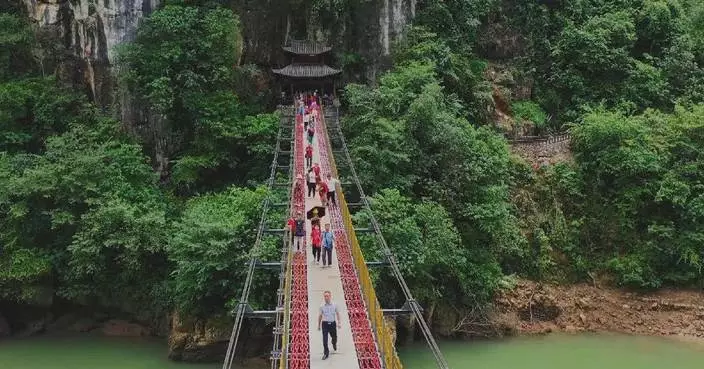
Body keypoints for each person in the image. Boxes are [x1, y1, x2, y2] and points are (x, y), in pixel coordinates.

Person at [317, 290, 341, 360]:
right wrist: (318, 325)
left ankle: (334, 343)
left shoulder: (335, 305)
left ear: (330, 296)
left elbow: (338, 314)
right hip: (325, 324)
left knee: (334, 337)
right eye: (325, 296)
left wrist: (339, 323)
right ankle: (326, 353)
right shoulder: (321, 306)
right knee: (325, 340)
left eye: (327, 296)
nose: (326, 297)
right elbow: (320, 316)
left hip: (332, 324)